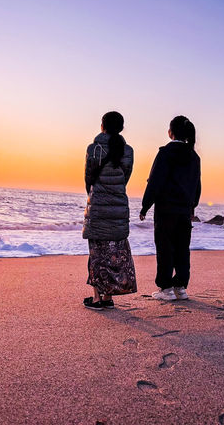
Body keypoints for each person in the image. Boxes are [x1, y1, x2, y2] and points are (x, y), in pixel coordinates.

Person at [139, 116, 201, 301]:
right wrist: (192, 207)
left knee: (165, 248)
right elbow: (197, 185)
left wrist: (145, 206)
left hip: (166, 209)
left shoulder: (165, 153)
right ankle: (180, 287)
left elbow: (155, 182)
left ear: (170, 132)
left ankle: (166, 288)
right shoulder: (194, 157)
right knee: (183, 248)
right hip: (184, 211)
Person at [82, 111, 137, 310]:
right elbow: (125, 178)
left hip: (98, 207)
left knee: (97, 254)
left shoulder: (94, 149)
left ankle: (97, 299)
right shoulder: (128, 151)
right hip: (119, 206)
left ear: (102, 126)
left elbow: (89, 179)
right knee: (113, 254)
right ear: (121, 128)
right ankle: (107, 298)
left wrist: (96, 193)